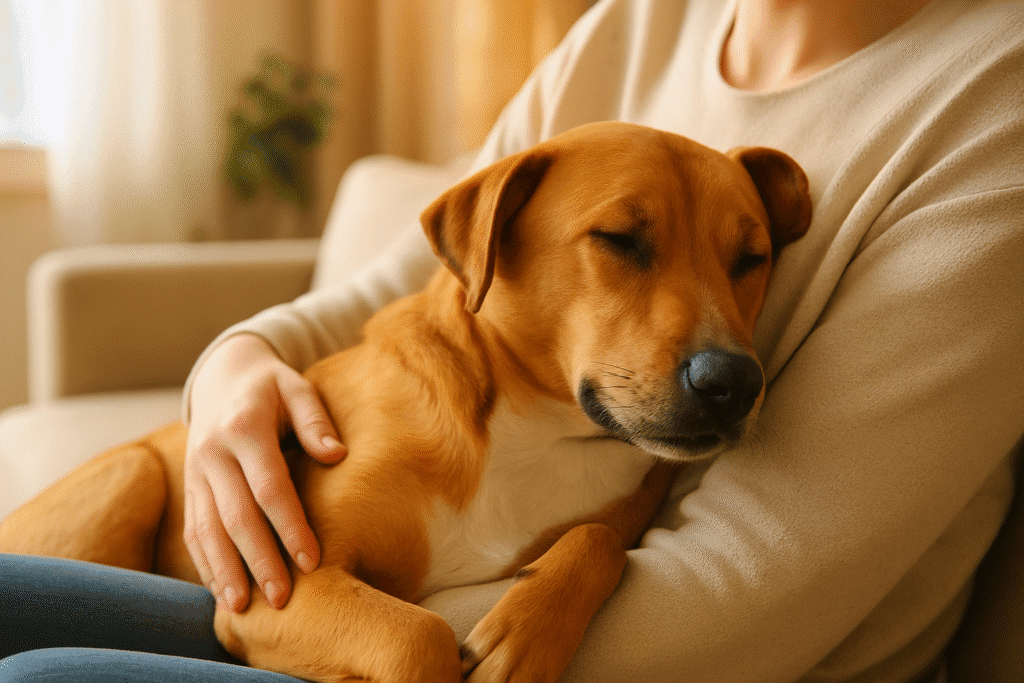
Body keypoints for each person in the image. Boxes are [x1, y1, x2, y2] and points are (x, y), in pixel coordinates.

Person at [2, 0, 1022, 681]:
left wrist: (583, 565)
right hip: (275, 599)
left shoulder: (991, 101)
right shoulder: (637, 20)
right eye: (624, 243)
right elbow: (413, 285)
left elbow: (751, 589)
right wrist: (229, 365)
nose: (714, 328)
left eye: (746, 261)